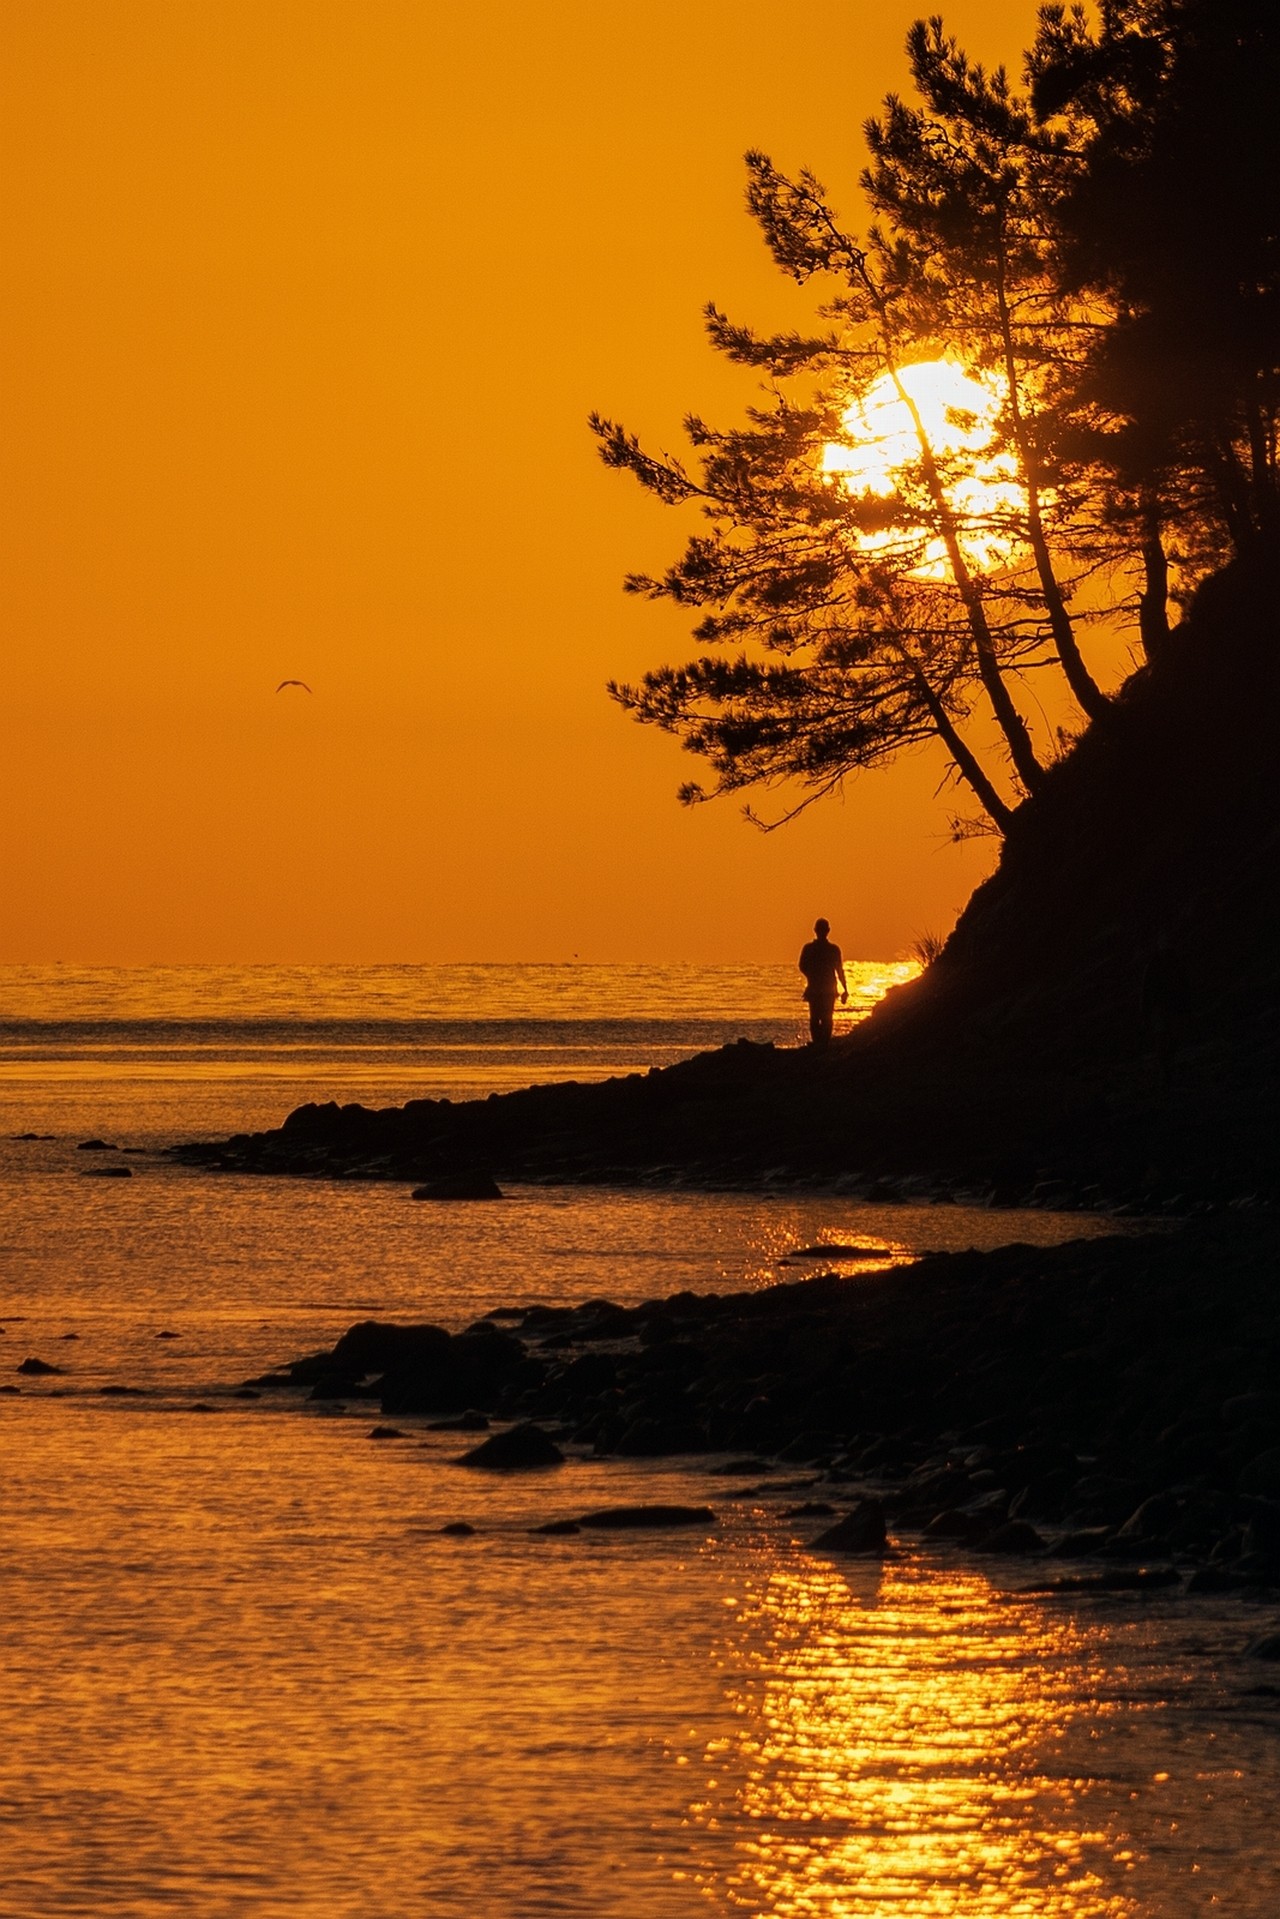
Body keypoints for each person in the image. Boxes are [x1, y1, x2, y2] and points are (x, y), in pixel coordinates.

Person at [798, 917, 848, 1047]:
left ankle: (820, 1044)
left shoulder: (810, 948)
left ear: (815, 930)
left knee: (817, 1018)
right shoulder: (832, 949)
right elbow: (839, 970)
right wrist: (845, 989)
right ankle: (822, 1044)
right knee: (825, 1018)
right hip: (825, 989)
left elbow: (802, 966)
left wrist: (811, 976)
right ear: (828, 931)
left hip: (818, 989)